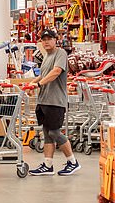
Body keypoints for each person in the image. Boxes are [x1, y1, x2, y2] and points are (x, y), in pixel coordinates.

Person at [29, 28, 80, 176]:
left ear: (55, 40)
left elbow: (56, 72)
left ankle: (72, 161)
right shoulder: (47, 56)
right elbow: (44, 74)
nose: (46, 42)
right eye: (43, 39)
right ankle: (48, 165)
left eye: (48, 39)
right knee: (47, 133)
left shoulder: (60, 54)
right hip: (44, 100)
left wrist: (38, 85)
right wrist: (33, 83)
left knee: (54, 132)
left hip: (55, 101)